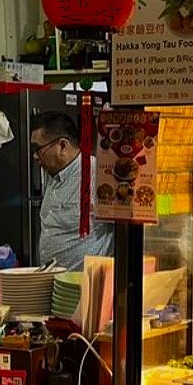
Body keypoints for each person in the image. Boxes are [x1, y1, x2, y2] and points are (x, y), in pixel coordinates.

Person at [31, 110, 112, 270]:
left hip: (84, 286)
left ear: (62, 146)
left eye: (38, 148)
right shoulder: (52, 175)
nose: (35, 156)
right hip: (52, 285)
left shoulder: (97, 175)